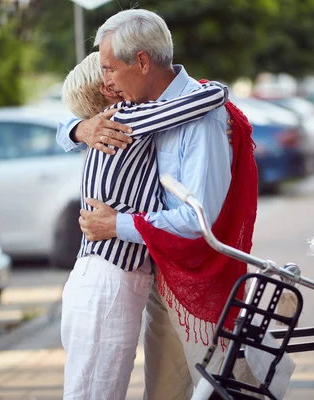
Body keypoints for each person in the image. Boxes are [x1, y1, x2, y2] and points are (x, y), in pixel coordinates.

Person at [56, 9, 259, 400]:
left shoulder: (191, 114)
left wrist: (118, 225)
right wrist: (77, 127)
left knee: (223, 388)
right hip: (148, 274)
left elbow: (200, 219)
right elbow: (64, 126)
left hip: (194, 281)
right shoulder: (122, 119)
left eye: (111, 69)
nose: (108, 79)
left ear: (143, 62)